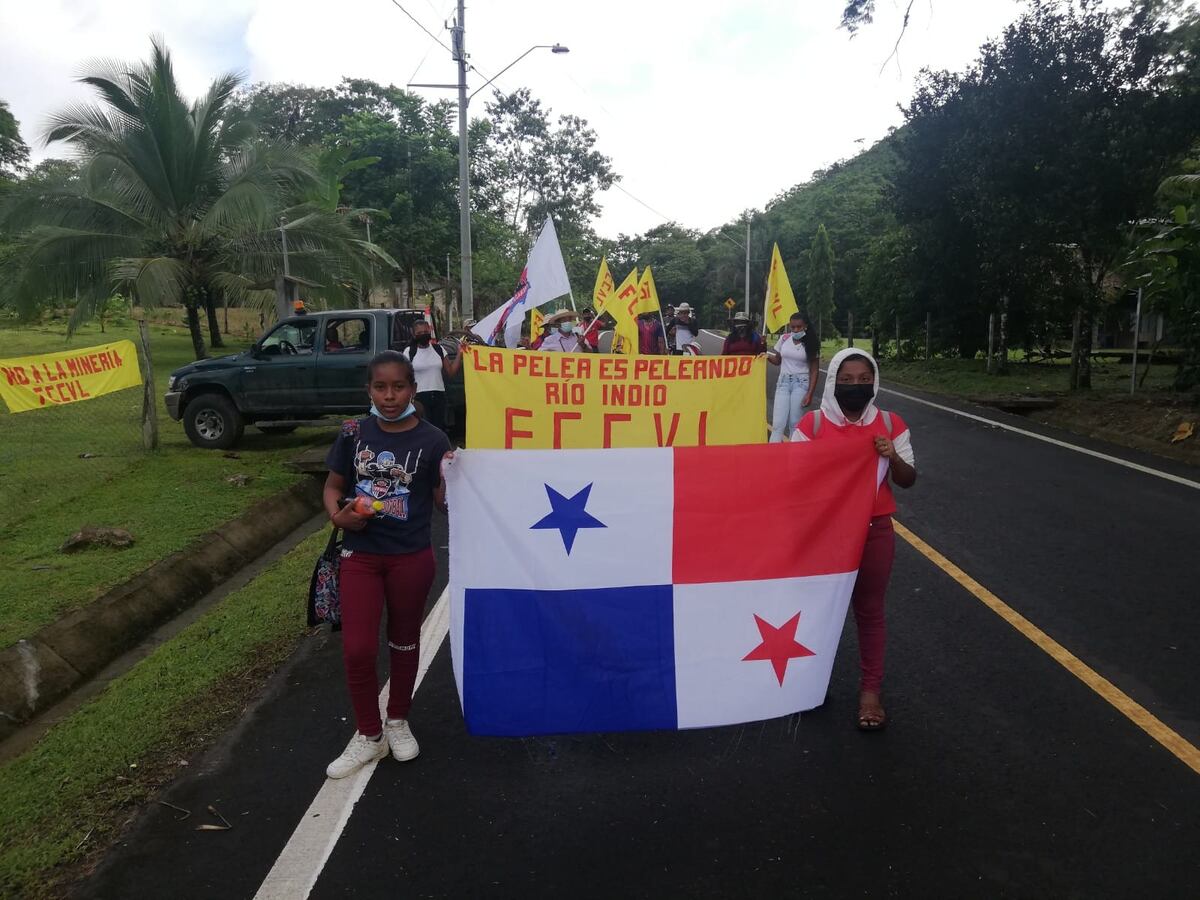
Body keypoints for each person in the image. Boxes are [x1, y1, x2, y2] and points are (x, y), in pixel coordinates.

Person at [322, 350, 452, 778]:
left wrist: (463, 479)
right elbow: (333, 486)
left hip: (411, 558)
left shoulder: (433, 440)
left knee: (403, 641)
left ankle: (397, 721)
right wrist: (338, 516)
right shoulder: (352, 431)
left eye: (399, 387)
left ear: (413, 389)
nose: (390, 396)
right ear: (369, 390)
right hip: (360, 555)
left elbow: (442, 502)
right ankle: (369, 735)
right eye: (381, 387)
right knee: (357, 648)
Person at [793, 349, 916, 731]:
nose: (855, 386)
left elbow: (908, 479)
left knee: (869, 611)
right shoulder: (812, 426)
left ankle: (870, 693)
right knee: (816, 612)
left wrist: (892, 456)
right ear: (834, 382)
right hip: (824, 534)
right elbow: (789, 479)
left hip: (873, 532)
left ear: (874, 381)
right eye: (847, 380)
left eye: (864, 379)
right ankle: (810, 685)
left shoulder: (891, 424)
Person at [765, 312, 820, 442]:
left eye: (799, 327)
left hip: (801, 384)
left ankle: (793, 455)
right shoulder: (784, 339)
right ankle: (774, 456)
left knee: (795, 423)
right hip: (783, 383)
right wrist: (766, 355)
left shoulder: (811, 343)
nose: (795, 330)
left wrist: (810, 394)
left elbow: (814, 370)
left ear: (805, 326)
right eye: (792, 327)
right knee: (778, 424)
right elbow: (778, 360)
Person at [403, 320, 464, 434]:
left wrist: (459, 354)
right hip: (419, 397)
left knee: (438, 430)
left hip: (439, 395)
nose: (423, 335)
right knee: (423, 429)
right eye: (419, 333)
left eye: (426, 331)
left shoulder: (439, 349)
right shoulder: (409, 352)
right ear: (414, 334)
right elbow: (404, 376)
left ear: (430, 331)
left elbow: (450, 371)